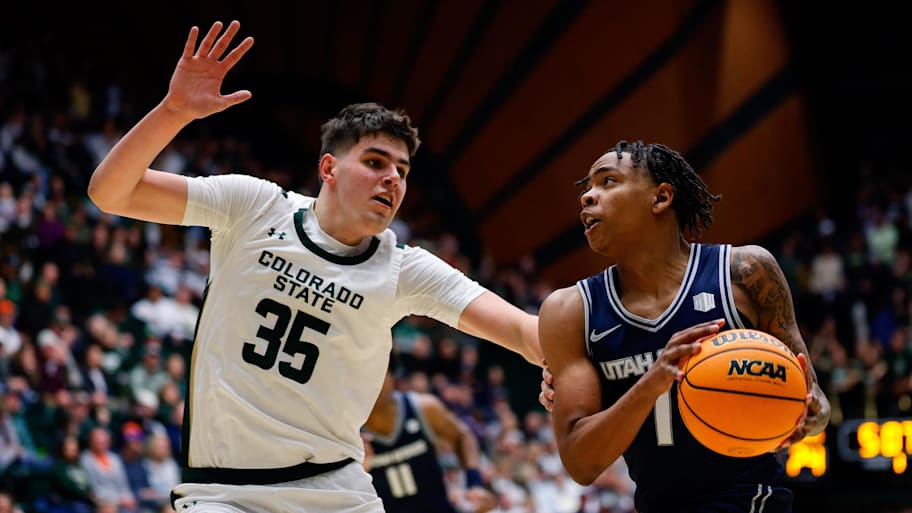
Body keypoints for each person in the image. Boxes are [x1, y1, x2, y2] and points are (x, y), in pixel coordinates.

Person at [86, 20, 542, 513]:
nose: (392, 178)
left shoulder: (404, 268)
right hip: (224, 493)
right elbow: (111, 193)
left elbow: (523, 331)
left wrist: (574, 361)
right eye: (375, 162)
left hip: (337, 491)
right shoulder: (254, 206)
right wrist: (173, 112)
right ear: (329, 169)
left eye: (402, 170)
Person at [537, 141, 830, 513]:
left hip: (751, 499)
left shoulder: (744, 272)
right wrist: (653, 382)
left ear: (661, 197)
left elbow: (817, 403)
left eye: (607, 181)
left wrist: (806, 413)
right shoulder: (570, 310)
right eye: (587, 188)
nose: (587, 197)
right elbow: (581, 465)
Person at [362, 359, 496, 513]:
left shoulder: (423, 407)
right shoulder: (348, 428)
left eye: (378, 373)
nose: (373, 383)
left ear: (392, 375)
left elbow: (463, 436)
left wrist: (474, 482)